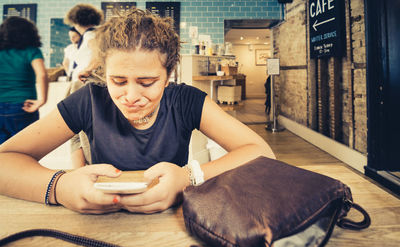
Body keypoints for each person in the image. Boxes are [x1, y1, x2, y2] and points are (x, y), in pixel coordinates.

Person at [0, 8, 275, 214]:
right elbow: (5, 162)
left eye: (147, 83)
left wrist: (187, 177)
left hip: (174, 225)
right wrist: (60, 187)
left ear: (168, 76)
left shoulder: (186, 101)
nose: (131, 97)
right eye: (117, 81)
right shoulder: (89, 100)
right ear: (103, 74)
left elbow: (261, 152)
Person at [63, 4, 104, 167]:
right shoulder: (91, 35)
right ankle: (80, 170)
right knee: (76, 131)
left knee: (79, 131)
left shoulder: (90, 36)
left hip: (84, 85)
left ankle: (82, 169)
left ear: (76, 21)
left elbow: (98, 55)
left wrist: (87, 70)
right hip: (81, 84)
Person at [0, 16, 48, 144]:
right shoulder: (32, 51)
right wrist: (42, 100)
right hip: (23, 107)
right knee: (25, 152)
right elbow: (42, 74)